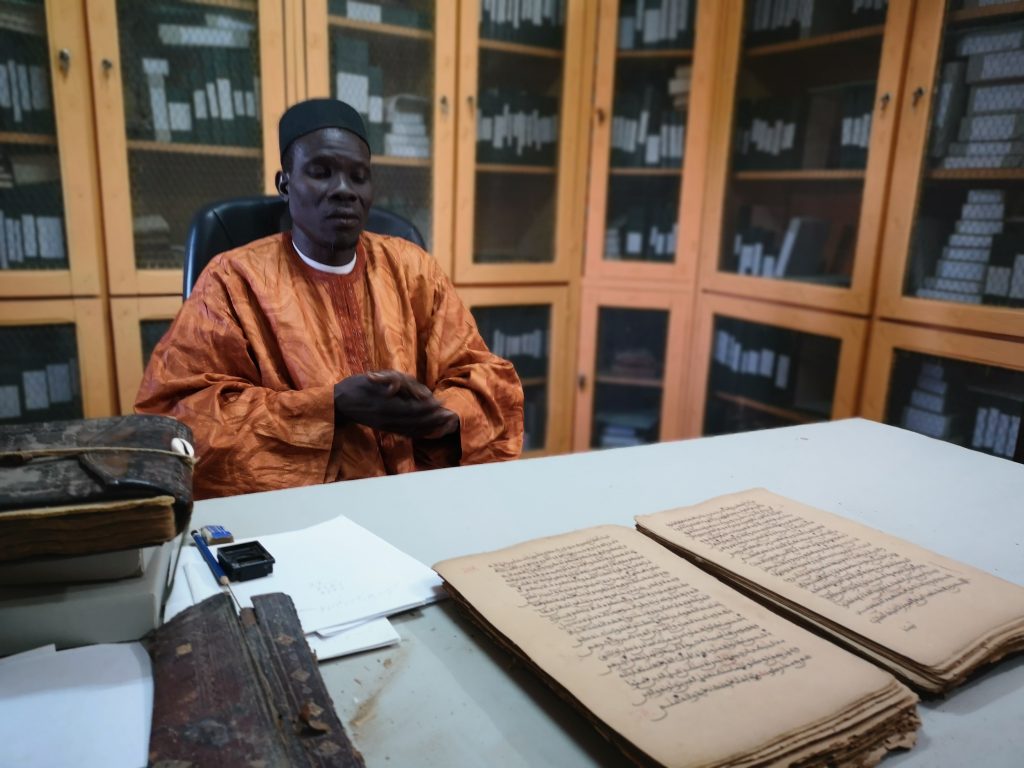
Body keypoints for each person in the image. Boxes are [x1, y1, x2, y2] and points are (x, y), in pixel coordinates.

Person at [136, 99, 524, 499]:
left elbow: (487, 378)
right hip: (303, 509)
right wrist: (331, 407)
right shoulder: (232, 281)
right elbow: (180, 420)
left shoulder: (414, 269)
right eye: (321, 172)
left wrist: (442, 414)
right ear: (285, 184)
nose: (344, 190)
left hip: (416, 496)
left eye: (359, 176)